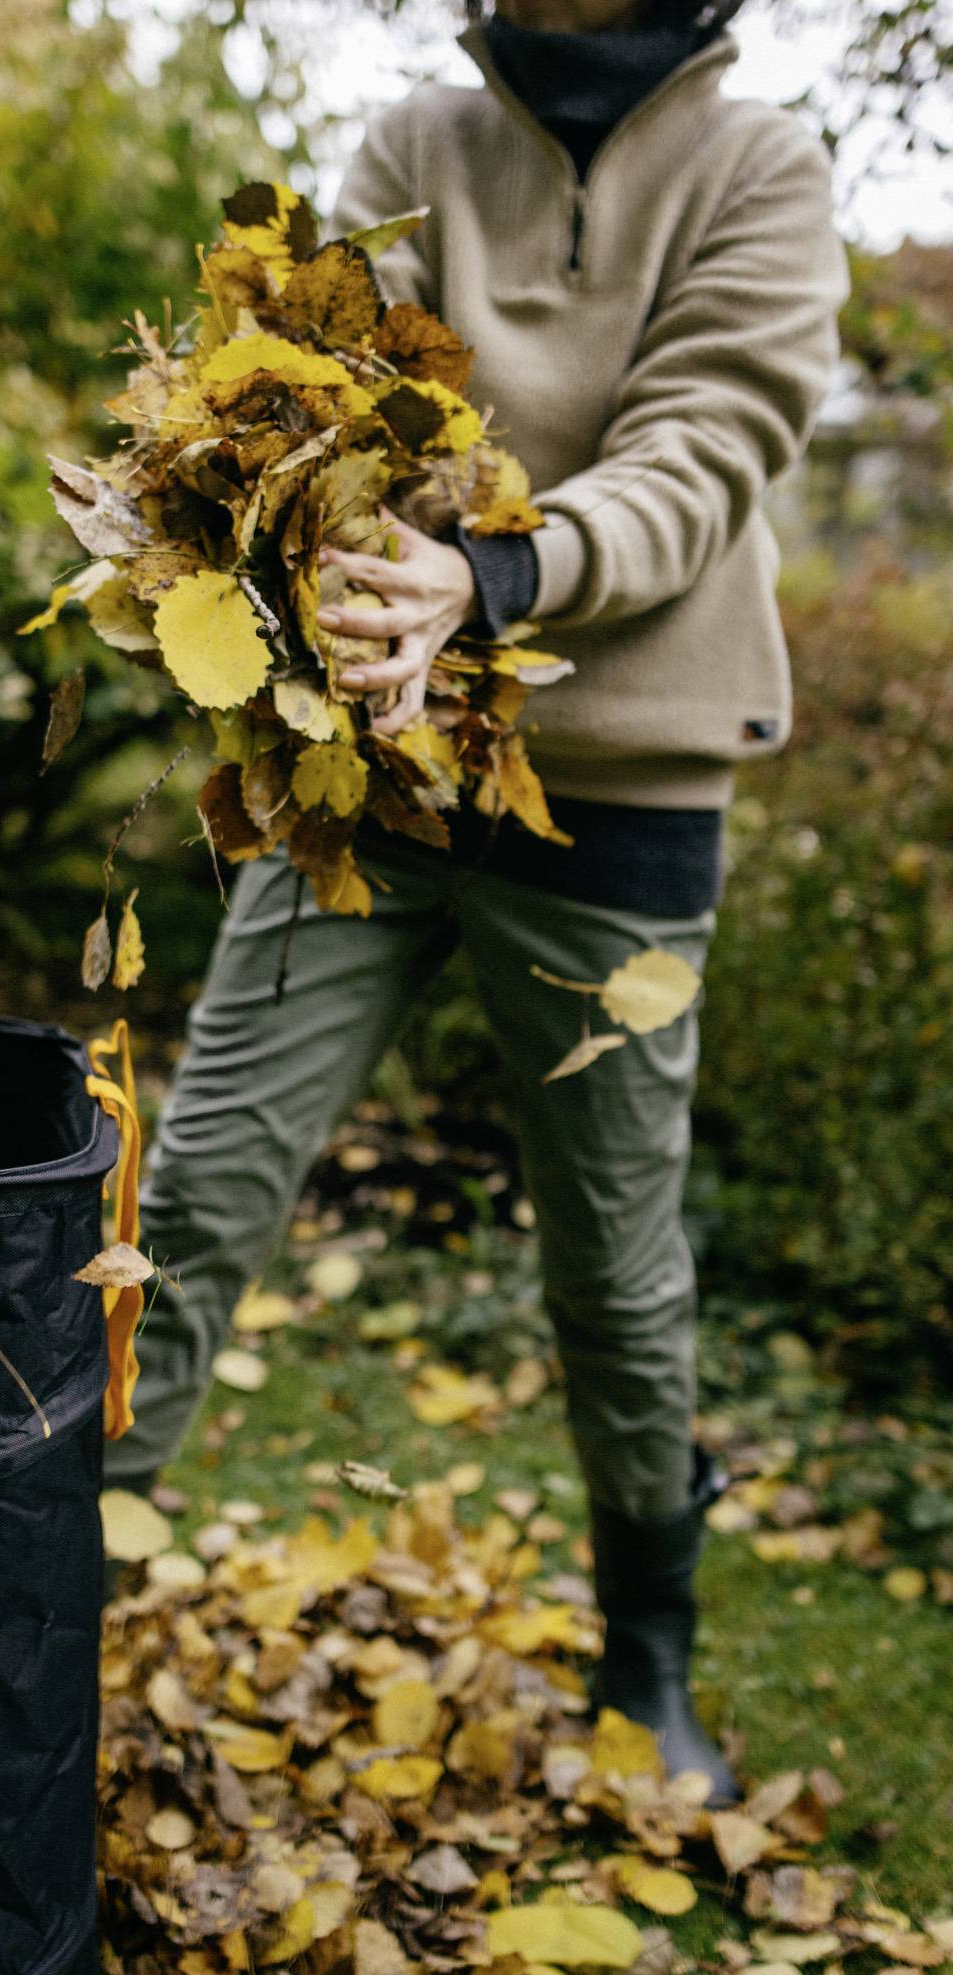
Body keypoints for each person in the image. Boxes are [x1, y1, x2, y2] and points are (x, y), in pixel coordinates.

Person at [101, 0, 849, 1806]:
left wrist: (493, 577)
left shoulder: (759, 163)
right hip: (372, 774)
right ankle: (31, 1611)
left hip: (624, 794)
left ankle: (646, 1669)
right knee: (193, 1191)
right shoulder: (415, 145)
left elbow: (708, 447)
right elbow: (320, 407)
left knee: (614, 1271)